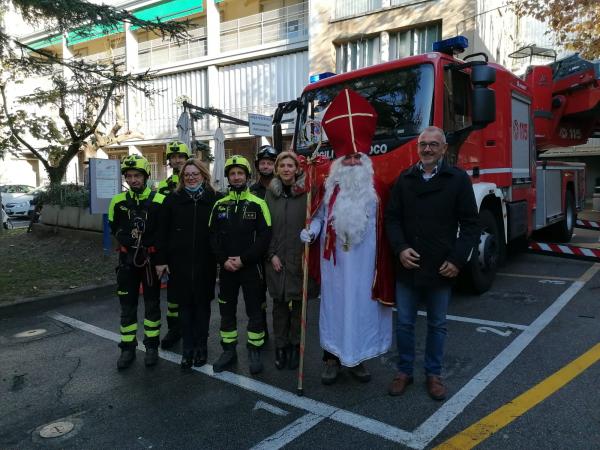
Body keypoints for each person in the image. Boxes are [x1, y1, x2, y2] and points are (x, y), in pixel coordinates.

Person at [301, 89, 395, 385]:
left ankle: (357, 360)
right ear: (340, 160)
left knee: (362, 311)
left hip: (367, 265)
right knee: (334, 309)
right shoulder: (329, 184)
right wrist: (311, 231)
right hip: (336, 266)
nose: (354, 161)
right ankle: (331, 359)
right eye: (349, 157)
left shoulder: (377, 186)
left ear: (365, 158)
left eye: (358, 156)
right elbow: (317, 216)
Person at [385, 126, 480, 400]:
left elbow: (471, 225)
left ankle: (433, 374)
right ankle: (404, 371)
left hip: (442, 267)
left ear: (444, 149)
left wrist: (457, 260)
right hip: (409, 266)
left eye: (433, 145)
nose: (427, 149)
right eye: (423, 144)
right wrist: (401, 248)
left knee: (437, 324)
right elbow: (392, 219)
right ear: (417, 148)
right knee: (404, 323)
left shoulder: (458, 179)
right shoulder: (404, 179)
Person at [209, 155, 272, 375]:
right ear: (227, 177)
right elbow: (213, 238)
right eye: (232, 173)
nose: (236, 177)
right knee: (226, 311)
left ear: (247, 176)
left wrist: (244, 259)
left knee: (255, 310)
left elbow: (265, 237)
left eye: (240, 173)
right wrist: (223, 260)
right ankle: (228, 351)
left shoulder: (258, 203)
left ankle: (255, 349)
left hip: (251, 268)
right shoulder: (219, 205)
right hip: (227, 269)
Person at [155, 159, 220, 371]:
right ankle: (187, 349)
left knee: (202, 308)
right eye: (187, 175)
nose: (191, 177)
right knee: (184, 308)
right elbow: (161, 232)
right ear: (182, 178)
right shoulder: (172, 200)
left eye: (195, 174)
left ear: (204, 175)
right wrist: (161, 260)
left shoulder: (215, 199)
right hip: (179, 263)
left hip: (205, 263)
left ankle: (201, 347)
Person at [108, 154, 165, 370]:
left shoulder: (159, 201)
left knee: (152, 306)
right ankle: (127, 348)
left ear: (146, 176)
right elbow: (114, 228)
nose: (133, 180)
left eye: (137, 176)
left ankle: (151, 347)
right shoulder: (118, 201)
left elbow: (162, 235)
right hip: (127, 261)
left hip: (149, 261)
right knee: (127, 307)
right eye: (129, 176)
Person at [264, 151, 309, 370]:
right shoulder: (270, 194)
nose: (286, 169)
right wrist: (271, 255)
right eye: (282, 165)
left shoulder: (306, 194)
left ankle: (294, 345)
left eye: (290, 165)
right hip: (276, 258)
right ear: (277, 169)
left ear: (297, 169)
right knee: (279, 306)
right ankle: (280, 346)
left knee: (298, 306)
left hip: (299, 258)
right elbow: (264, 229)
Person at [156, 140, 191, 350]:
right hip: (173, 248)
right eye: (173, 157)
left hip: (193, 246)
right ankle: (174, 329)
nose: (177, 160)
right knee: (172, 296)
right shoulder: (163, 186)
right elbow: (160, 220)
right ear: (168, 161)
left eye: (181, 157)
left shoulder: (195, 182)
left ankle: (190, 329)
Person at [250, 144, 278, 341]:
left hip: (279, 250)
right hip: (258, 252)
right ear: (257, 165)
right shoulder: (252, 190)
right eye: (263, 163)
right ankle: (262, 332)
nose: (266, 166)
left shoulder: (284, 187)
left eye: (270, 163)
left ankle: (282, 335)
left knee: (281, 297)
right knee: (258, 296)